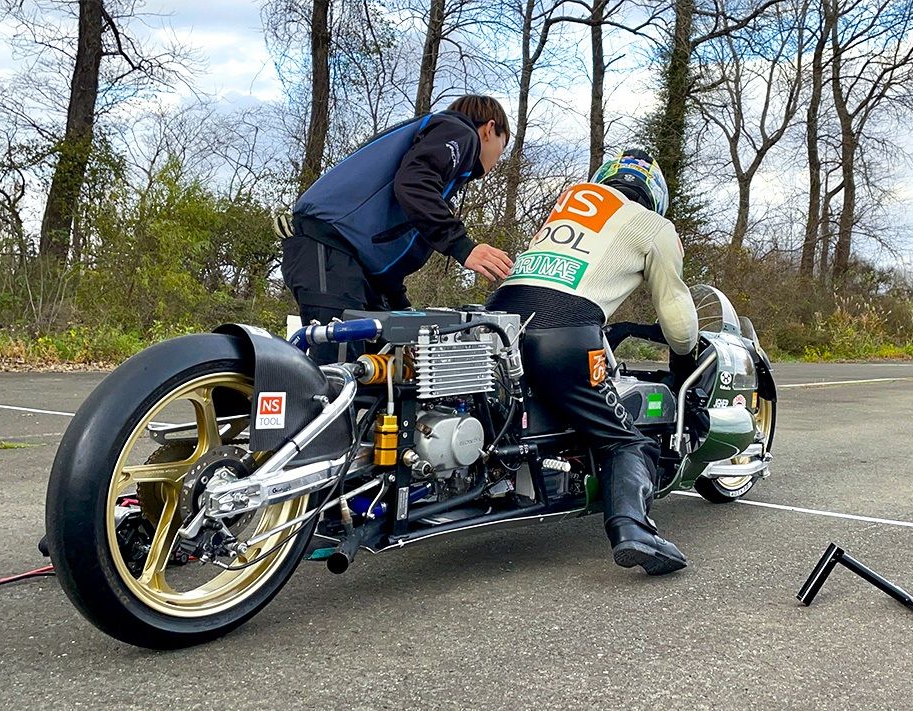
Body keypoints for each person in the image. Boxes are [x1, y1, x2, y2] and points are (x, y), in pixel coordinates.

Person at [486, 149, 699, 576]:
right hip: (564, 333)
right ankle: (634, 531)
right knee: (625, 440)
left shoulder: (570, 204)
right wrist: (686, 360)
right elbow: (678, 325)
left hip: (496, 323)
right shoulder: (654, 226)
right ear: (654, 194)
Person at [277, 95, 515, 364]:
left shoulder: (439, 154)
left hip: (353, 262)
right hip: (328, 248)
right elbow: (415, 184)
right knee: (339, 369)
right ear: (489, 129)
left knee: (389, 362)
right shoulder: (460, 132)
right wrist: (462, 246)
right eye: (502, 146)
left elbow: (386, 248)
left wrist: (402, 309)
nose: (497, 160)